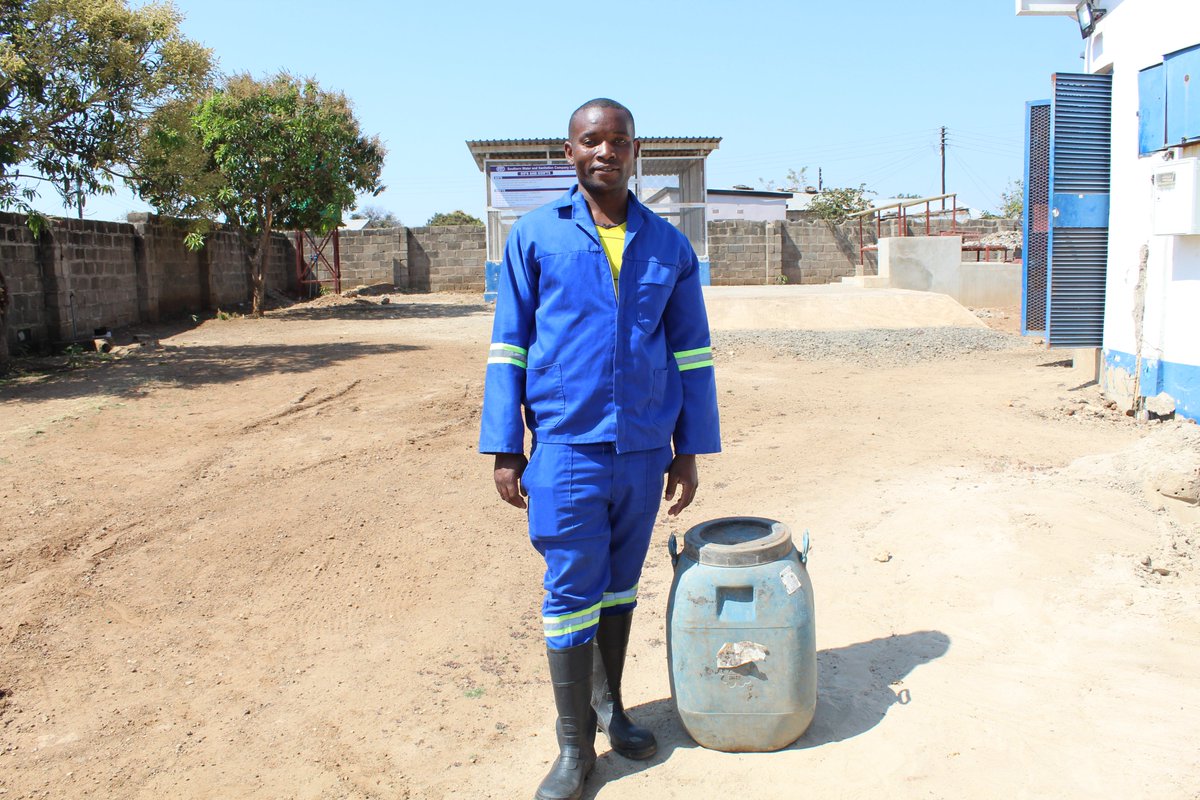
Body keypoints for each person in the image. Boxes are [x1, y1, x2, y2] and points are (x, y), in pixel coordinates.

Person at [479, 98, 720, 800]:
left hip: (644, 450)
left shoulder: (668, 245)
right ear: (569, 153)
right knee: (569, 593)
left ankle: (612, 709)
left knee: (619, 588)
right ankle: (573, 747)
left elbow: (693, 352)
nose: (605, 152)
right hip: (565, 449)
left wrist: (688, 448)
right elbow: (507, 348)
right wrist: (505, 445)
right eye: (592, 141)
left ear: (635, 152)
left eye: (618, 141)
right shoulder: (534, 237)